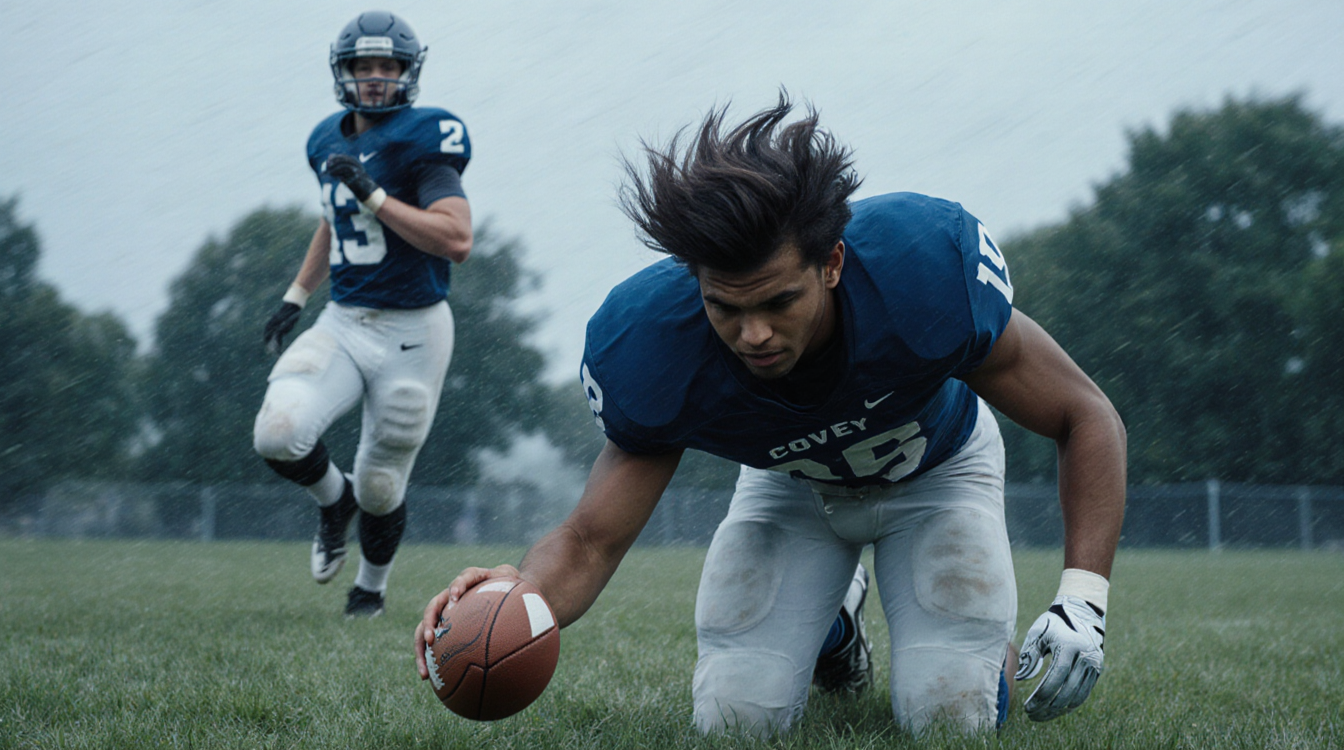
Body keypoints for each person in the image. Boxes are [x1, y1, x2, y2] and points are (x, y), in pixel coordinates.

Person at [414, 95, 1125, 734]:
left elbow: (1083, 414)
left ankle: (956, 643)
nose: (753, 333)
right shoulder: (655, 344)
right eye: (726, 306)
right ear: (695, 283)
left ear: (833, 264)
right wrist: (517, 595)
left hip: (937, 474)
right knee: (734, 721)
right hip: (792, 492)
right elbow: (590, 541)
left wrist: (1082, 601)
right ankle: (833, 628)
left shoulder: (922, 272)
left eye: (778, 302)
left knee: (948, 718)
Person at [253, 11, 473, 618]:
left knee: (382, 480)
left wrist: (375, 193)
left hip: (415, 328)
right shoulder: (326, 138)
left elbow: (456, 238)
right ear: (343, 71)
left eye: (387, 66)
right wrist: (296, 294)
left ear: (408, 72)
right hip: (345, 320)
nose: (375, 78)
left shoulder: (427, 136)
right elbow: (336, 217)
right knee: (277, 433)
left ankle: (369, 591)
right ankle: (333, 501)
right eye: (363, 66)